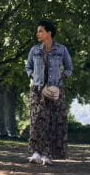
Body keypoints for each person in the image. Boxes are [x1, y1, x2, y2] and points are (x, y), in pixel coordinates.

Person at [25, 19, 73, 164]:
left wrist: (60, 79)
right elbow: (28, 67)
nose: (37, 33)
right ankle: (36, 153)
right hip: (38, 90)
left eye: (41, 31)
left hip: (55, 91)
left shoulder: (62, 50)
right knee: (36, 122)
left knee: (53, 122)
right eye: (38, 31)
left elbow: (69, 68)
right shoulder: (34, 50)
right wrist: (33, 76)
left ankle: (48, 155)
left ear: (49, 33)